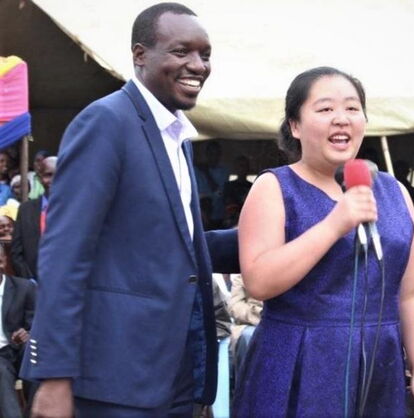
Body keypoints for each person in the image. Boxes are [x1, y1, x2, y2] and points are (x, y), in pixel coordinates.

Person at [20, 3, 238, 418]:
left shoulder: (176, 137)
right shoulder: (106, 123)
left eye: (205, 54)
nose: (197, 65)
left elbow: (172, 247)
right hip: (114, 381)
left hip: (172, 375)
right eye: (181, 52)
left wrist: (285, 230)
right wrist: (53, 376)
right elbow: (64, 254)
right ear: (140, 55)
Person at [232, 67, 414, 417]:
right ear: (295, 126)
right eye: (325, 109)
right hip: (299, 358)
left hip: (379, 362)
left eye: (352, 108)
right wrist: (334, 224)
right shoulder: (274, 188)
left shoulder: (395, 192)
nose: (341, 119)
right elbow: (259, 281)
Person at [0, 244, 36, 418]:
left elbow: (37, 323)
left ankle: (37, 413)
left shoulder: (24, 288)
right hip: (0, 356)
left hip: (20, 347)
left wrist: (26, 332)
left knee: (35, 355)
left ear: (4, 261)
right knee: (0, 370)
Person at [10, 156, 57, 280]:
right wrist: (29, 281)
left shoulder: (75, 209)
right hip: (32, 285)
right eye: (48, 175)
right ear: (40, 178)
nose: (53, 180)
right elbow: (16, 253)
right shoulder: (25, 210)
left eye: (59, 174)